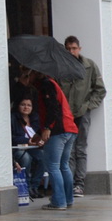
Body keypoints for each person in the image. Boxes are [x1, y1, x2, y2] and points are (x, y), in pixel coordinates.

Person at [21, 67, 78, 210]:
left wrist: (47, 127)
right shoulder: (51, 83)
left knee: (53, 166)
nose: (27, 78)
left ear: (35, 72)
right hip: (69, 128)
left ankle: (59, 202)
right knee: (63, 165)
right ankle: (68, 199)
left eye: (29, 74)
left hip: (59, 129)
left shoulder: (47, 84)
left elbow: (53, 108)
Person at [62, 35, 106, 197]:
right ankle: (68, 183)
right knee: (67, 150)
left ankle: (79, 184)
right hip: (65, 115)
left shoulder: (89, 66)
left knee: (80, 148)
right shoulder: (61, 67)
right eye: (68, 49)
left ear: (79, 49)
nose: (71, 51)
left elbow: (100, 90)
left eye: (74, 48)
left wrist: (88, 106)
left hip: (82, 113)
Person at [11, 96, 46, 202]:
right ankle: (28, 186)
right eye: (23, 104)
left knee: (43, 158)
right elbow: (10, 137)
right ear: (18, 106)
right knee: (26, 159)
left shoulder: (34, 118)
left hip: (32, 146)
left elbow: (37, 134)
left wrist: (40, 140)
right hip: (17, 147)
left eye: (29, 105)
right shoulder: (12, 118)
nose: (26, 107)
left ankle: (35, 186)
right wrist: (26, 140)